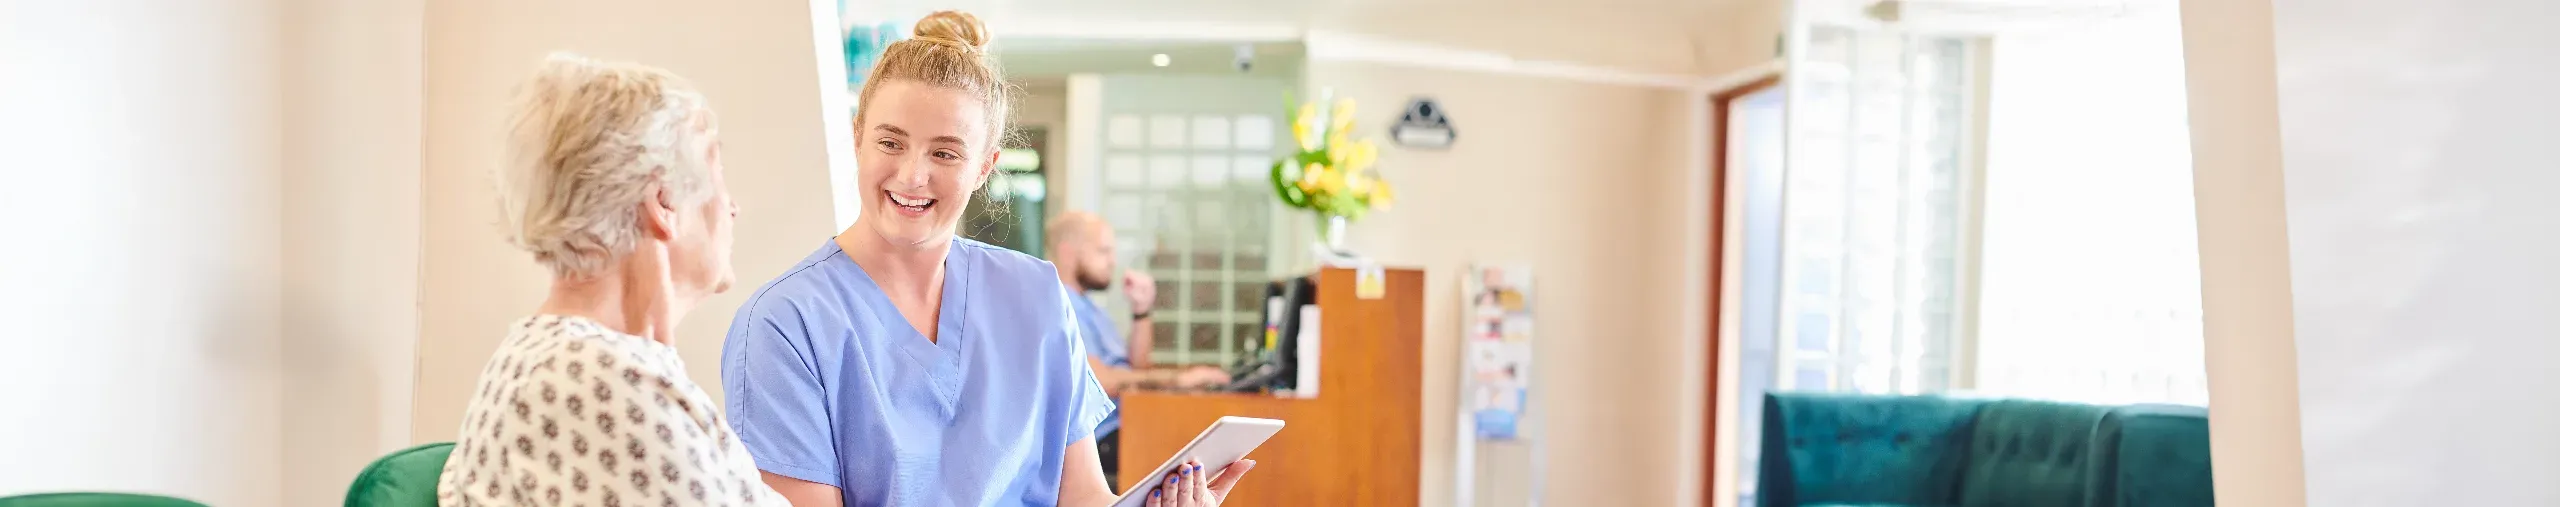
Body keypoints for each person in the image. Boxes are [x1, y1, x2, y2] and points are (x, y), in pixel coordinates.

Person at [718, 11, 1254, 507]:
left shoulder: (1037, 295)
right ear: (858, 140)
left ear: (984, 167)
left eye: (945, 153)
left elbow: (1085, 495)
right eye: (890, 142)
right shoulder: (784, 325)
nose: (912, 175)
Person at [437, 53, 785, 507]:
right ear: (664, 203)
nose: (732, 206)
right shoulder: (584, 378)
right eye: (717, 176)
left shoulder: (602, 366)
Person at [1042, 211, 1234, 485]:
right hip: (1097, 444)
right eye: (1104, 251)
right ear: (1068, 252)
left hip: (1125, 426)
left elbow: (1137, 370)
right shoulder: (1058, 304)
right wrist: (1177, 380)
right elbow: (1102, 381)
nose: (1113, 261)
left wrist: (1141, 311)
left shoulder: (1092, 309)